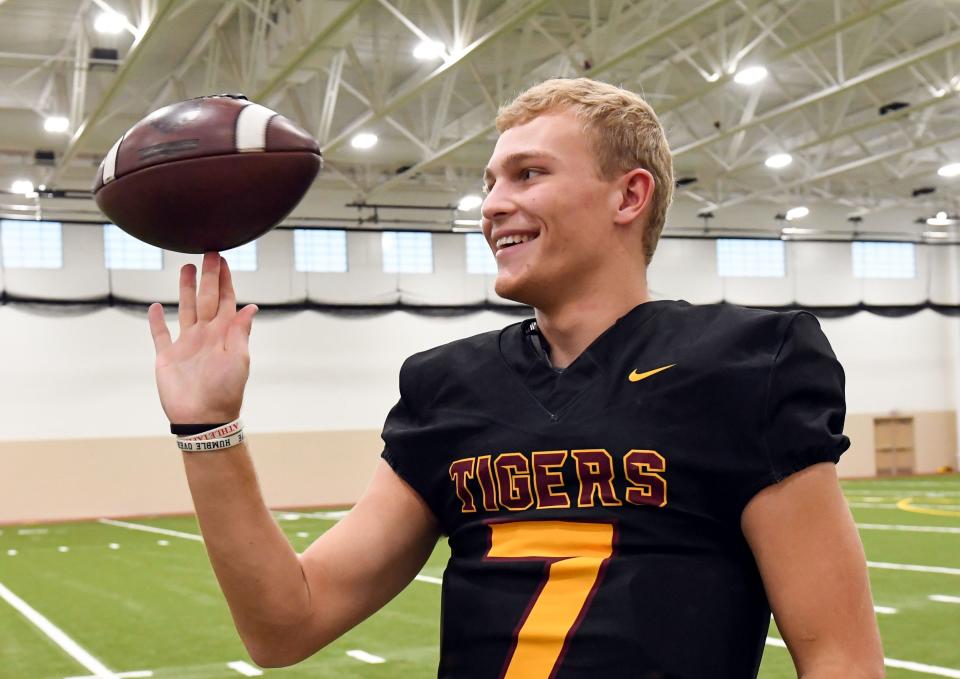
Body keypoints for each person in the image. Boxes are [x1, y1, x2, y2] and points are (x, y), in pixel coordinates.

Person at [147, 78, 885, 678]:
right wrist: (206, 425)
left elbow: (839, 657)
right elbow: (286, 623)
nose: (493, 203)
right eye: (491, 180)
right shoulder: (448, 386)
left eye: (528, 174)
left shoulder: (746, 363)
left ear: (630, 196)